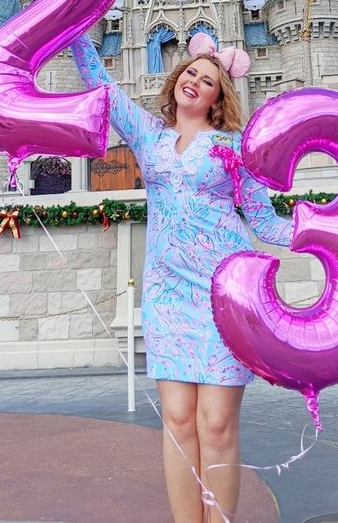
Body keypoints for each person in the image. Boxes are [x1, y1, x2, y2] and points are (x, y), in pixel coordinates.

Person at [72, 30, 292, 523]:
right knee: (177, 421)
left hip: (224, 296)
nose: (194, 81)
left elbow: (263, 219)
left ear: (219, 98)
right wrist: (74, 25)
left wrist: (324, 233)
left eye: (207, 79)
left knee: (216, 423)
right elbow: (101, 85)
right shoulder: (148, 135)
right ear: (176, 79)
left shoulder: (234, 148)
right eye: (190, 72)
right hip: (168, 295)